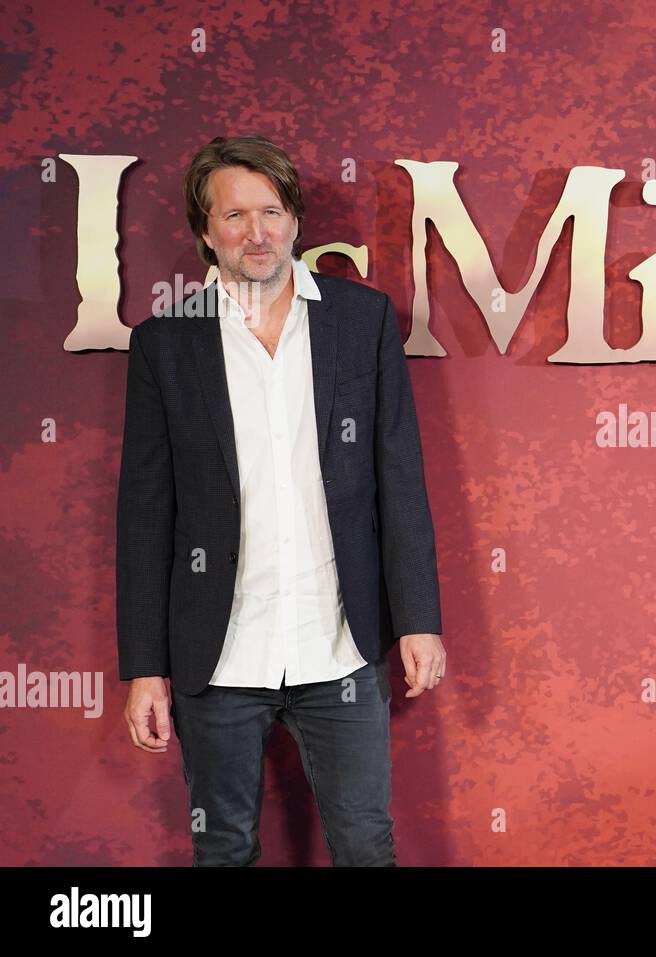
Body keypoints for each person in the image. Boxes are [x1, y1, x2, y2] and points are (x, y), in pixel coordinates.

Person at [115, 135, 446, 866]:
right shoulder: (165, 346)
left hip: (341, 645)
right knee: (223, 846)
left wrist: (419, 617)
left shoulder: (362, 322)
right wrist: (145, 666)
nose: (256, 232)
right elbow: (144, 517)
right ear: (206, 231)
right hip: (218, 654)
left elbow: (400, 477)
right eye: (234, 215)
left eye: (271, 210)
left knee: (365, 841)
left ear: (295, 219)